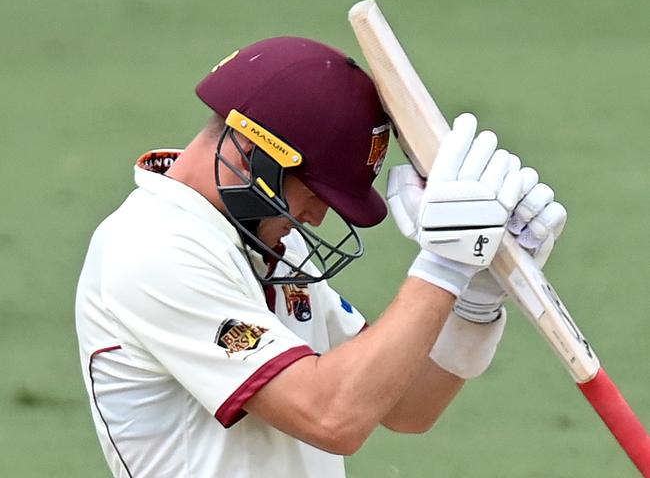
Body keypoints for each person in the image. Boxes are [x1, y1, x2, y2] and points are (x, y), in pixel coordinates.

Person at [75, 36, 566, 477]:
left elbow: (405, 406)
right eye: (314, 190)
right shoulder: (152, 249)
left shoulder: (267, 241)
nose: (316, 218)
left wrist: (472, 299)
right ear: (252, 152)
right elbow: (331, 416)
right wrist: (443, 266)